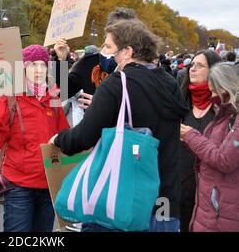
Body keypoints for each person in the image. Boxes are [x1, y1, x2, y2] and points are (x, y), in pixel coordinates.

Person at [51, 19, 189, 232]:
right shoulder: (169, 81)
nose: (103, 51)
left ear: (127, 51)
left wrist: (60, 139)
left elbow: (82, 137)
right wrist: (60, 60)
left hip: (123, 198)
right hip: (164, 198)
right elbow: (64, 88)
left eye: (107, 46)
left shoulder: (118, 82)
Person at [0, 45, 70, 232]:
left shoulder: (53, 97)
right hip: (19, 186)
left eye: (43, 65)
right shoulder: (9, 98)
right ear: (23, 67)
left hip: (48, 184)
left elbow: (64, 134)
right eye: (33, 64)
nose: (38, 70)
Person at [180, 63, 239, 232]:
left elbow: (225, 159)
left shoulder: (232, 118)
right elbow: (210, 151)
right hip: (212, 209)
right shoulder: (223, 115)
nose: (212, 96)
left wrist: (191, 136)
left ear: (225, 87)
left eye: (214, 91)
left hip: (222, 213)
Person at [53, 7, 138, 109]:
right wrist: (60, 60)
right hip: (93, 124)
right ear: (107, 35)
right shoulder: (90, 62)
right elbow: (59, 94)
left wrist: (104, 106)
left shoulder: (142, 69)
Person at [177, 50, 221, 231]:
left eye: (200, 65)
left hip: (209, 193)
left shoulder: (224, 110)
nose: (192, 69)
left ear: (213, 71)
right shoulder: (179, 103)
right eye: (191, 65)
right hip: (177, 188)